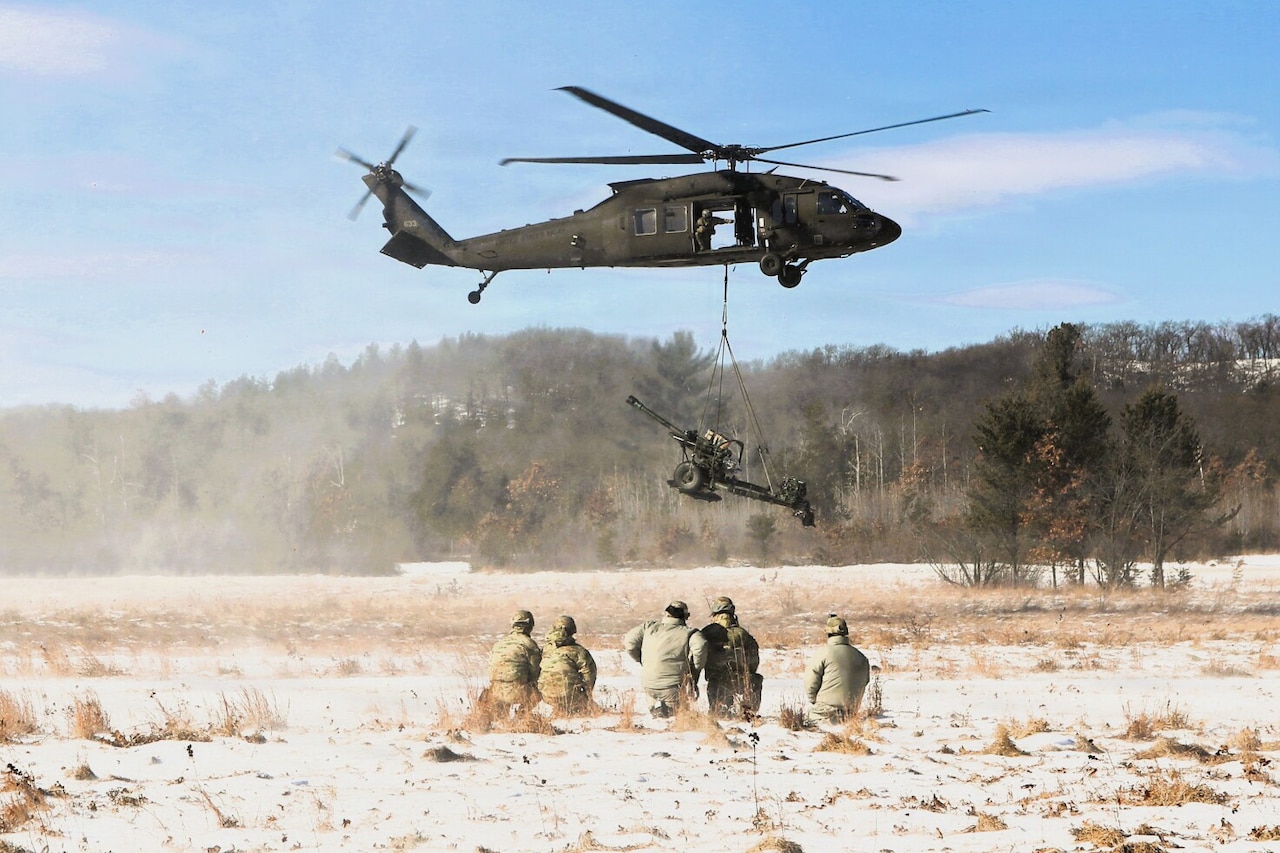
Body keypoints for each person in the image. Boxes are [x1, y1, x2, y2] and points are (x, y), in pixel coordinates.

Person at [623, 600, 708, 718]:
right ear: (685, 616)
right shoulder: (690, 633)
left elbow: (629, 643)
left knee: (657, 718)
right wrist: (695, 670)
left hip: (649, 683)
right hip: (673, 686)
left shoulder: (648, 627)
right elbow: (701, 646)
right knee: (676, 718)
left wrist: (642, 660)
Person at [700, 596, 761, 717]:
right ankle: (748, 711)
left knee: (718, 713)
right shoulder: (742, 633)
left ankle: (719, 710)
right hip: (741, 681)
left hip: (716, 683)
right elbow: (754, 660)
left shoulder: (706, 632)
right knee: (755, 679)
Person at [804, 614, 870, 724]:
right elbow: (865, 681)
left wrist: (815, 700)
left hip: (824, 713)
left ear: (828, 632)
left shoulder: (823, 653)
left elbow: (810, 681)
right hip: (851, 713)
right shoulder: (861, 657)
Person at [537, 615, 597, 715]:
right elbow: (589, 673)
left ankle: (560, 710)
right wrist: (587, 693)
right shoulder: (578, 651)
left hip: (546, 696)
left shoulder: (545, 650)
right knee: (587, 709)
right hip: (571, 696)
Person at [487, 610, 542, 712]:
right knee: (541, 688)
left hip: (496, 692)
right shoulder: (530, 644)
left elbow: (491, 669)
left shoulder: (499, 644)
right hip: (518, 692)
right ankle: (523, 715)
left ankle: (501, 716)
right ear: (530, 625)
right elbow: (536, 673)